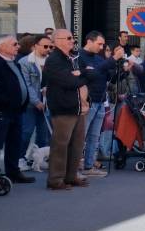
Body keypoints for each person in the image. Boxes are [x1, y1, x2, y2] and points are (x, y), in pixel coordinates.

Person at [42, 29, 88, 191]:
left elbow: (87, 74)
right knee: (60, 145)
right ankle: (55, 180)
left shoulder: (72, 58)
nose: (72, 40)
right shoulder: (54, 60)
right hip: (63, 108)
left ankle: (71, 176)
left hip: (77, 107)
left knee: (77, 144)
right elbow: (69, 81)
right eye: (68, 38)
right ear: (57, 40)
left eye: (72, 37)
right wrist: (81, 76)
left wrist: (80, 74)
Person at [0, 34, 33, 185]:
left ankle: (13, 172)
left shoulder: (14, 63)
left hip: (17, 111)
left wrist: (24, 100)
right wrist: (9, 102)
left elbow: (20, 85)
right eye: (14, 44)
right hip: (1, 112)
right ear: (1, 47)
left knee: (14, 143)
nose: (18, 46)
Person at [76, 31, 114, 178]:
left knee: (94, 136)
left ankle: (89, 166)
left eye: (103, 44)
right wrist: (107, 64)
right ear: (89, 41)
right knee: (81, 135)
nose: (101, 47)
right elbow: (90, 75)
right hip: (87, 101)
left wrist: (117, 68)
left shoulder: (99, 59)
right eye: (99, 44)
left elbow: (106, 76)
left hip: (100, 100)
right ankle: (75, 168)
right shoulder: (79, 57)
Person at [18, 34, 51, 162]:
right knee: (27, 131)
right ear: (35, 46)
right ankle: (20, 158)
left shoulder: (51, 60)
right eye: (45, 46)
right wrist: (36, 101)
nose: (48, 49)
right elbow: (26, 84)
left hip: (47, 103)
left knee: (43, 134)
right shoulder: (25, 62)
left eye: (50, 46)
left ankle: (38, 159)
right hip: (30, 103)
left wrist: (49, 89)